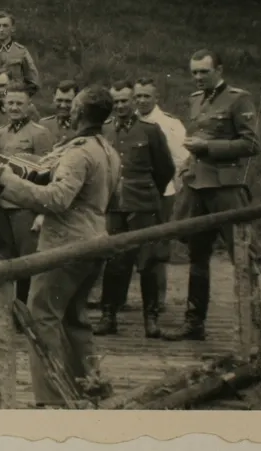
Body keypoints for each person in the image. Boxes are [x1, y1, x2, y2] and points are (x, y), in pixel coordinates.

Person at [0, 84, 122, 406]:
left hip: (66, 246)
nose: (69, 110)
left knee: (42, 315)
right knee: (75, 317)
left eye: (73, 106)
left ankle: (52, 397)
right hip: (96, 239)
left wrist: (9, 181)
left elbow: (58, 200)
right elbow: (113, 197)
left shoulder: (78, 153)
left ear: (78, 112)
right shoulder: (107, 150)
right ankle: (90, 385)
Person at [163, 49, 261, 342]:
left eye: (203, 72)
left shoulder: (238, 99)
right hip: (197, 188)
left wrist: (209, 149)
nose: (197, 77)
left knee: (243, 256)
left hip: (226, 189)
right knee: (197, 256)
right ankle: (194, 324)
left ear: (219, 69)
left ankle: (252, 327)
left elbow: (251, 144)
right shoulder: (195, 99)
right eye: (194, 72)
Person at [95, 81, 175, 338]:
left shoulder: (150, 131)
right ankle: (109, 316)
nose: (120, 106)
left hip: (143, 205)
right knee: (115, 262)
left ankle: (150, 319)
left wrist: (149, 193)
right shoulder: (104, 131)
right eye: (116, 102)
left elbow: (165, 170)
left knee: (148, 263)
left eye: (124, 101)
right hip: (114, 206)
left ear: (134, 102)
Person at [0, 88, 55, 304]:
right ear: (5, 106)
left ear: (28, 106)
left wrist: (41, 213)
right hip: (1, 206)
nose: (15, 108)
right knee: (5, 259)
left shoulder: (40, 133)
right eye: (11, 103)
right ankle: (6, 310)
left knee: (28, 260)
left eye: (19, 103)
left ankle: (26, 310)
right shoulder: (0, 134)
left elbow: (48, 173)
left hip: (25, 207)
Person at [134, 77, 189, 312]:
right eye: (138, 96)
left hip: (160, 193)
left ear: (156, 98)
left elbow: (181, 161)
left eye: (147, 96)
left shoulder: (169, 124)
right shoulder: (126, 121)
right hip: (132, 194)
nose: (142, 100)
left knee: (156, 246)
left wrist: (171, 191)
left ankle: (157, 300)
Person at [40, 80, 79, 146]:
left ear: (76, 101)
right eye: (59, 100)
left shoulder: (81, 126)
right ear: (54, 98)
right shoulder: (44, 125)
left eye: (68, 101)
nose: (63, 105)